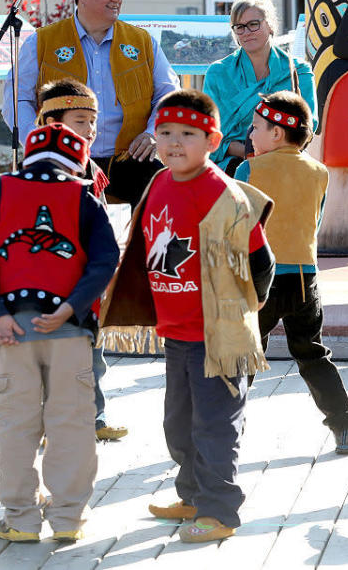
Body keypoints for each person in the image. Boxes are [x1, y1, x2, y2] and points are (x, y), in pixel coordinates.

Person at [99, 89, 275, 543]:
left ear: (212, 140)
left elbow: (262, 258)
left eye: (188, 134)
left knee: (215, 427)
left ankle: (219, 514)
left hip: (217, 336)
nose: (174, 142)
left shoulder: (220, 191)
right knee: (179, 426)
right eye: (165, 132)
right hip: (177, 332)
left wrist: (249, 308)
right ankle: (193, 495)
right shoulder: (158, 182)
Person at [0, 124, 120, 542]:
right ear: (78, 161)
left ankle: (20, 519)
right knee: (71, 422)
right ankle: (68, 518)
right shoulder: (83, 197)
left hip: (10, 328)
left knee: (15, 423)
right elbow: (106, 259)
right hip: (68, 328)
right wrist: (72, 305)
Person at [236, 90, 348, 455]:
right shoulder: (319, 172)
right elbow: (315, 221)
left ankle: (224, 431)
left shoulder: (249, 169)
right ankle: (346, 426)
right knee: (312, 354)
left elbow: (237, 225)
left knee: (242, 356)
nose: (250, 133)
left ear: (277, 133)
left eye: (256, 127)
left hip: (257, 279)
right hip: (305, 278)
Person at [3, 0, 180, 208]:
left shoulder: (142, 42)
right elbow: (16, 99)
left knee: (169, 196)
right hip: (64, 156)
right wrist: (38, 141)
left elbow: (169, 93)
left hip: (129, 158)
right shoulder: (41, 42)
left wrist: (153, 133)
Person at [34, 78, 127, 441]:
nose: (89, 130)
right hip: (49, 280)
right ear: (49, 123)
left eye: (92, 121)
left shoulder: (89, 167)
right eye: (79, 121)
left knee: (90, 353)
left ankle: (94, 417)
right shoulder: (37, 170)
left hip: (86, 280)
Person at [203, 0, 316, 176]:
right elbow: (207, 130)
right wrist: (247, 151)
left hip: (286, 164)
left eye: (253, 24)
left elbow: (309, 125)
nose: (246, 32)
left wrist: (272, 152)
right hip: (230, 166)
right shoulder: (218, 72)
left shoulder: (299, 71)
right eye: (239, 27)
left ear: (270, 25)